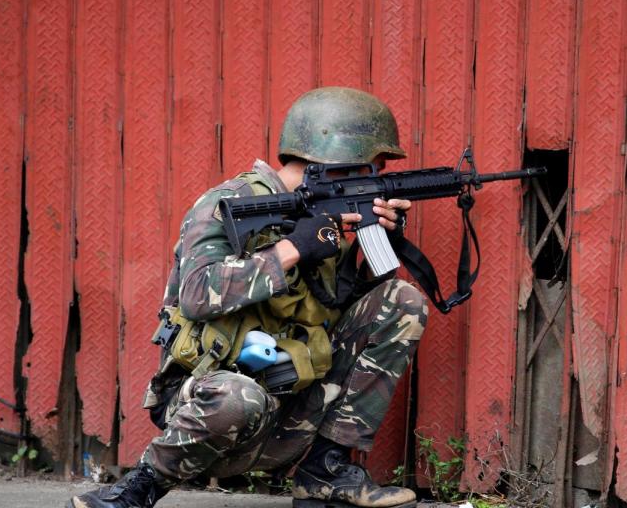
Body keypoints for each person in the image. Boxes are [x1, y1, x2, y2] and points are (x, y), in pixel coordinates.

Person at [69, 87, 427, 508]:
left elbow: (340, 310)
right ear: (341, 162)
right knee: (239, 395)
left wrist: (380, 238)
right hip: (213, 401)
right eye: (375, 166)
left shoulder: (326, 216)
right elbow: (196, 294)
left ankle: (325, 471)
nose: (379, 177)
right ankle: (136, 490)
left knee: (402, 301)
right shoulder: (229, 203)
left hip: (290, 403)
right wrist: (291, 250)